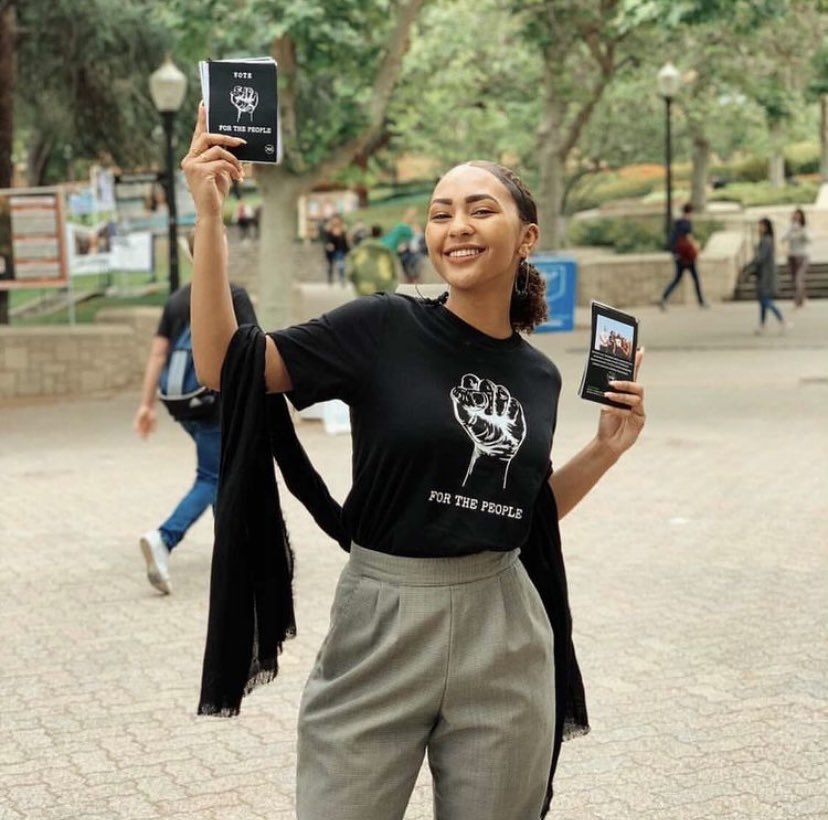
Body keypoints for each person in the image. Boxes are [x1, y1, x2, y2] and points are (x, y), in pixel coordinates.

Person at [182, 104, 646, 820]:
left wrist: (606, 449)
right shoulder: (382, 327)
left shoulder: (538, 378)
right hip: (383, 617)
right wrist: (210, 222)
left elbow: (523, 511)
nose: (456, 226)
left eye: (478, 209)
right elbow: (225, 365)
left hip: (504, 624)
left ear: (527, 238)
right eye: (440, 213)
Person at [133, 232, 257, 595]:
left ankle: (233, 552)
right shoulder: (232, 295)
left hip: (183, 406)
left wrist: (146, 405)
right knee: (212, 476)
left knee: (220, 473)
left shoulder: (177, 300)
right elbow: (252, 352)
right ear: (223, 247)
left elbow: (158, 355)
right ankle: (164, 538)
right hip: (217, 406)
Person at [744, 217, 788, 336]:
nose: (759, 228)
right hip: (763, 274)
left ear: (766, 227)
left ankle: (782, 320)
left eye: (761, 226)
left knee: (766, 301)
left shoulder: (767, 240)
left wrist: (749, 266)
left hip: (766, 276)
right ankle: (762, 325)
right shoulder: (765, 240)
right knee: (762, 302)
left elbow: (761, 258)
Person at [659, 202, 709, 309]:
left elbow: (674, 239)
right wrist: (697, 246)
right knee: (695, 279)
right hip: (688, 256)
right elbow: (688, 237)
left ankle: (664, 297)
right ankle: (701, 301)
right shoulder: (686, 223)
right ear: (690, 212)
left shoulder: (677, 223)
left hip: (679, 256)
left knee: (677, 279)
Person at [345, 224, 398, 295]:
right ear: (381, 234)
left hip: (364, 287)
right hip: (384, 286)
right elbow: (393, 268)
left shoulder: (360, 249)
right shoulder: (385, 249)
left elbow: (351, 265)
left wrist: (352, 278)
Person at [781, 207, 810, 308]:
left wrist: (801, 230)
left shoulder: (805, 227)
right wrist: (791, 230)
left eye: (798, 215)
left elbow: (809, 239)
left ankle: (797, 300)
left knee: (799, 279)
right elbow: (783, 238)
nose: (796, 217)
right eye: (795, 215)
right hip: (792, 256)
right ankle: (801, 298)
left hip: (802, 256)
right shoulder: (790, 227)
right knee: (794, 280)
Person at [321, 213, 350, 285]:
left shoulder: (343, 229)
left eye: (337, 219)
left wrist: (347, 249)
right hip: (331, 250)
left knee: (341, 264)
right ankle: (330, 279)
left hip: (340, 249)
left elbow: (345, 240)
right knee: (330, 265)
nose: (336, 221)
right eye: (334, 219)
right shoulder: (328, 229)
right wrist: (328, 244)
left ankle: (342, 278)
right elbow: (326, 239)